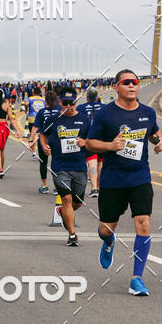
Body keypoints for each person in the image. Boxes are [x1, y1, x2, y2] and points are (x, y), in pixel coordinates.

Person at [86, 69, 162, 296]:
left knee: (143, 223)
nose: (132, 85)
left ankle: (136, 279)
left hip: (140, 178)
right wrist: (110, 146)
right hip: (113, 179)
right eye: (127, 82)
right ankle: (108, 241)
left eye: (135, 82)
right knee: (105, 229)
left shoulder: (148, 113)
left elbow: (155, 134)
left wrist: (160, 142)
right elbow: (90, 143)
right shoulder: (105, 114)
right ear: (116, 87)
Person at [40, 88, 89, 247]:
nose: (69, 106)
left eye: (72, 103)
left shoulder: (84, 119)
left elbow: (92, 138)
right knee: (66, 198)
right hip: (59, 166)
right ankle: (72, 234)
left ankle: (63, 212)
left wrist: (85, 142)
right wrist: (45, 146)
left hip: (79, 166)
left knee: (77, 203)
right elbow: (43, 134)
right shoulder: (54, 119)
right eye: (66, 103)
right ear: (60, 102)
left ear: (76, 102)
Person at [30, 90, 60, 193]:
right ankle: (57, 187)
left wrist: (31, 140)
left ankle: (44, 186)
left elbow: (35, 127)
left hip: (44, 139)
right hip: (57, 139)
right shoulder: (60, 111)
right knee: (56, 162)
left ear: (45, 101)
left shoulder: (41, 112)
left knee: (43, 162)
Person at [77, 86, 104, 198]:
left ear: (87, 97)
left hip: (88, 138)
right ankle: (100, 187)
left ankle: (94, 188)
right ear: (97, 97)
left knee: (92, 163)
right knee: (100, 164)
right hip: (102, 139)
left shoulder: (81, 108)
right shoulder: (104, 107)